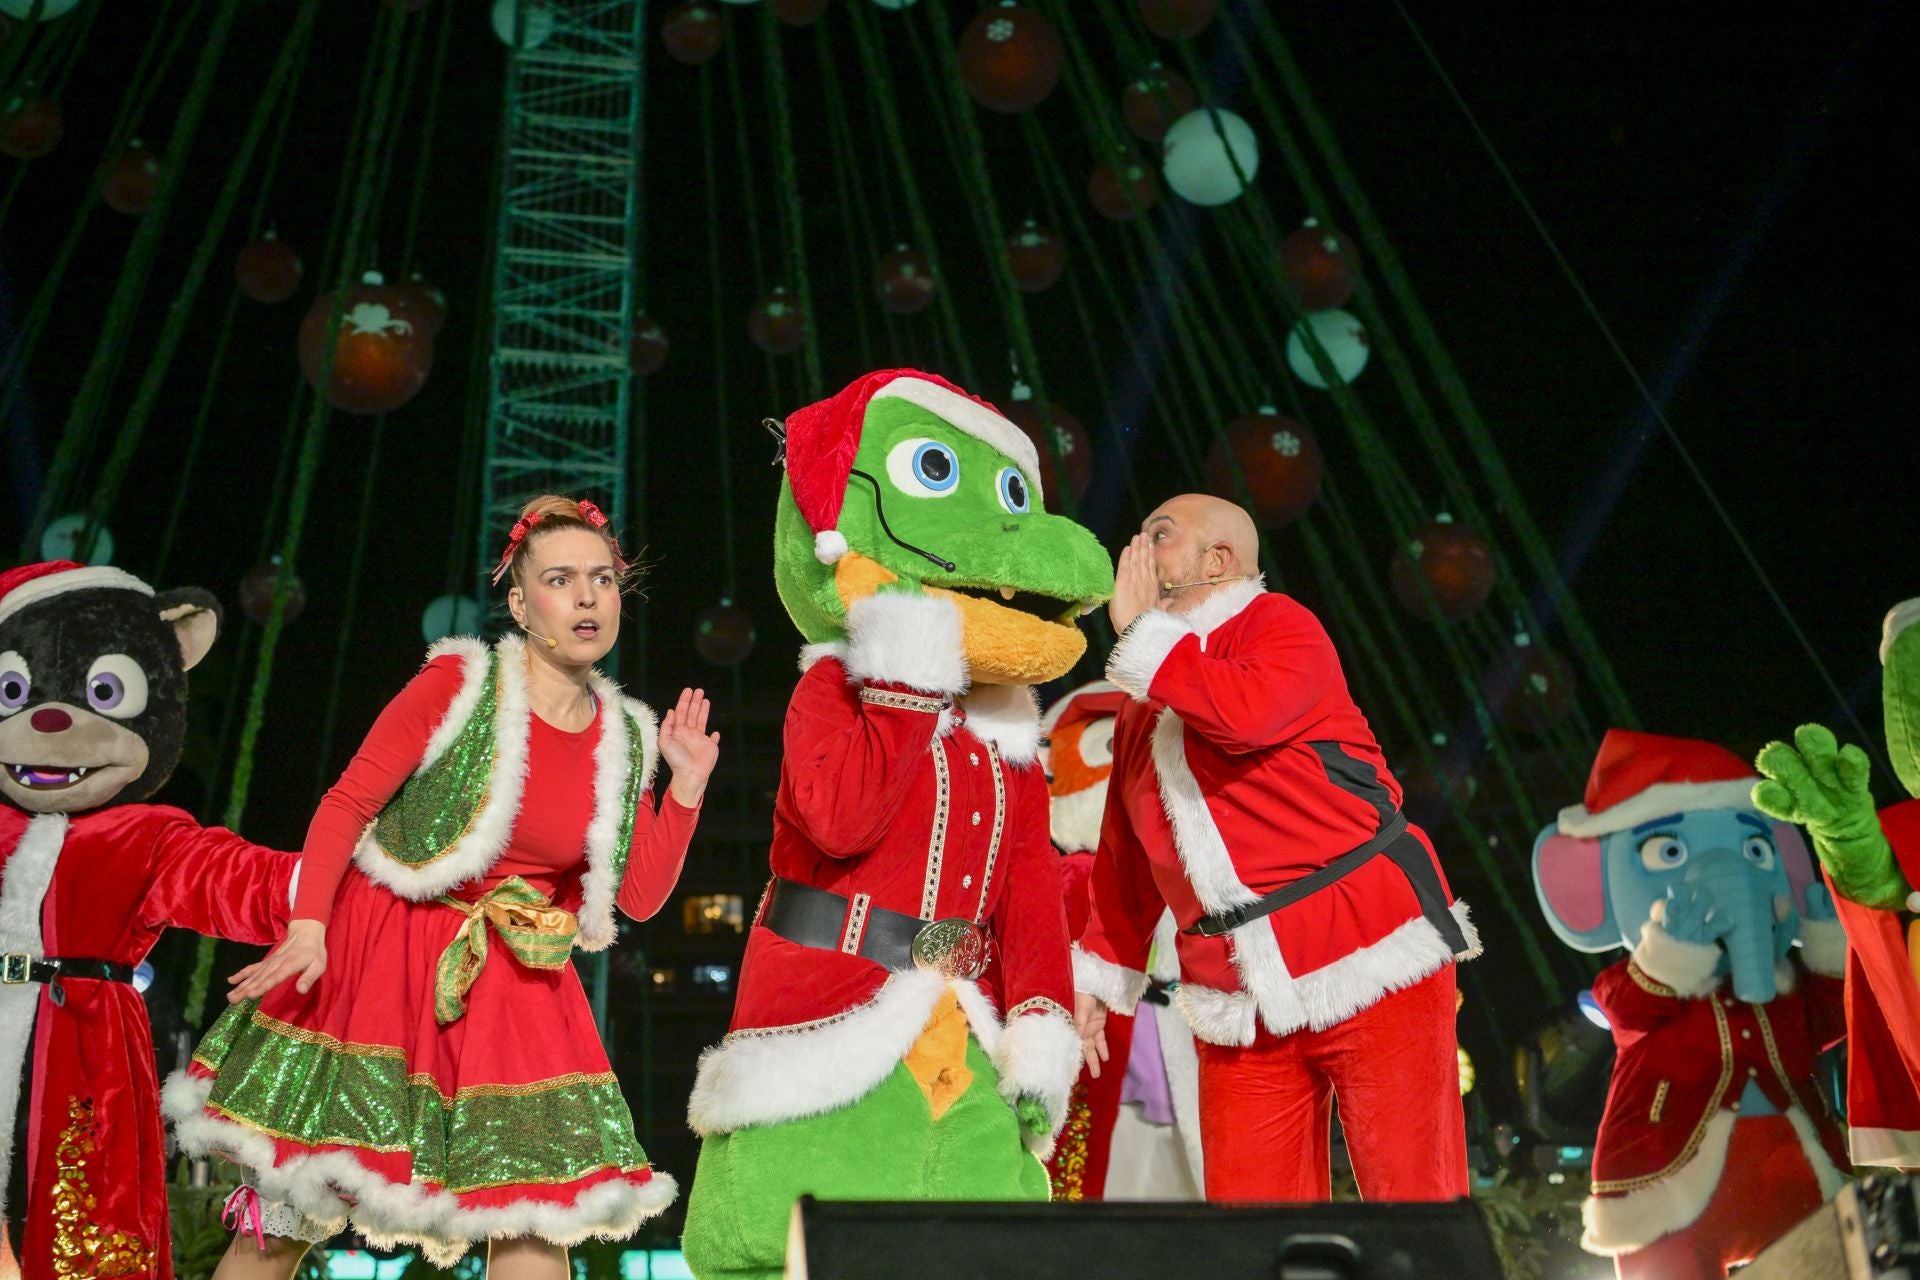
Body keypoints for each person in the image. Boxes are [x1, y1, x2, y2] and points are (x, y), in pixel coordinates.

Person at [164, 495, 719, 1278]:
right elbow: (347, 803)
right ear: (521, 605)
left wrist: (686, 787)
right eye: (560, 579)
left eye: (602, 579)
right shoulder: (462, 683)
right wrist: (309, 925)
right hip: (382, 958)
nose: (587, 598)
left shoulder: (625, 734)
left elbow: (636, 897)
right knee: (290, 1212)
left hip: (515, 983)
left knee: (533, 1215)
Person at [1072, 494, 1480, 1201]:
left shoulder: (1279, 625)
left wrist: (1140, 632)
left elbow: (1243, 716)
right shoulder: (1143, 705)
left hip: (1369, 948)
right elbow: (1126, 858)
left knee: (1413, 1198)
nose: (1135, 554)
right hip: (1236, 993)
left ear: (1217, 560)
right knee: (1252, 1220)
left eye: (1159, 536)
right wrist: (1100, 978)